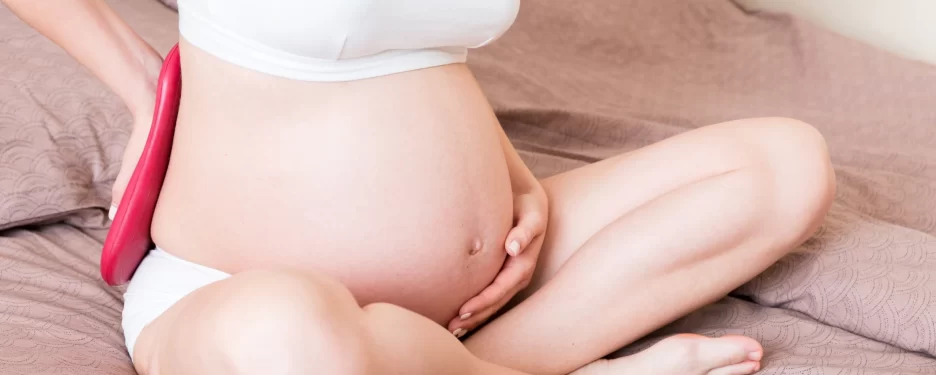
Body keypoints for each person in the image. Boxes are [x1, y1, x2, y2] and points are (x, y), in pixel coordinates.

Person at [3, 1, 835, 374]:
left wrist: (507, 173)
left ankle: (472, 362)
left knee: (783, 166)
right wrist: (145, 86)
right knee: (289, 339)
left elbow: (421, 58)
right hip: (235, 288)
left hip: (483, 286)